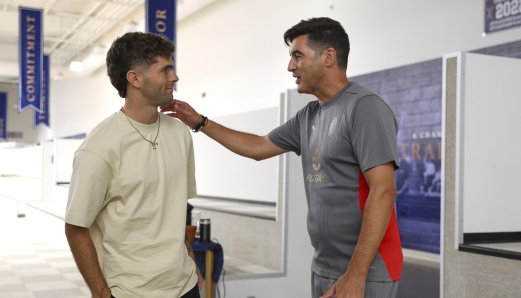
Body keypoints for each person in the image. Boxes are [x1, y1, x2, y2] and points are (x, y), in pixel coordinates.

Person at [163, 17, 402, 298]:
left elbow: (383, 191)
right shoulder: (309, 115)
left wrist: (357, 274)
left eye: (297, 56)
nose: (290, 67)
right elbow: (258, 147)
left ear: (328, 57)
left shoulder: (364, 107)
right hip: (325, 266)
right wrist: (200, 121)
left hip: (367, 270)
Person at [64, 32, 202, 298]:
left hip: (184, 286)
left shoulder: (180, 133)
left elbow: (179, 207)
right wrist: (100, 291)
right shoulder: (99, 147)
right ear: (135, 79)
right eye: (165, 70)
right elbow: (76, 227)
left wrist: (191, 261)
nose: (174, 77)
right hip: (130, 291)